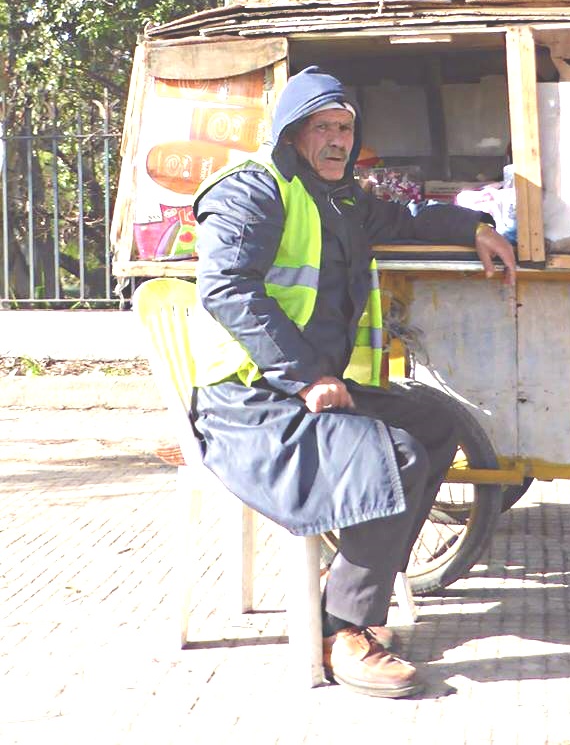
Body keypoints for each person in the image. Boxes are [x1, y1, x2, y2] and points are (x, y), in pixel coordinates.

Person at [189, 67, 516, 699]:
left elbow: (402, 216)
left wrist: (474, 227)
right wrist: (308, 374)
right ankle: (343, 629)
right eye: (323, 128)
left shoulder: (339, 196)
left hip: (303, 385)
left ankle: (344, 598)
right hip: (248, 398)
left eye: (345, 127)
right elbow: (226, 287)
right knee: (390, 453)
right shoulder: (253, 190)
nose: (338, 140)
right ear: (292, 133)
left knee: (434, 422)